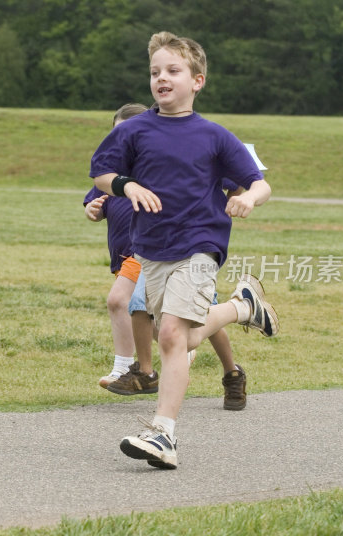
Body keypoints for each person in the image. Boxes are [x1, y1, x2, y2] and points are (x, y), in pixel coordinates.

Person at [90, 31, 279, 469]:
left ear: (198, 80)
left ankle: (163, 435)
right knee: (177, 335)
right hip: (153, 249)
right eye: (155, 71)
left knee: (173, 335)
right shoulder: (135, 130)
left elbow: (259, 181)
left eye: (173, 71)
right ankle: (241, 307)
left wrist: (249, 198)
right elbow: (100, 173)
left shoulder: (214, 136)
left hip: (201, 244)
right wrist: (127, 185)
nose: (162, 78)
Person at [86, 106, 249, 411]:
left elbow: (241, 178)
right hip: (145, 252)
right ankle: (147, 375)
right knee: (158, 321)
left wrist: (239, 198)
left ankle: (231, 369)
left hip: (191, 251)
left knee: (190, 323)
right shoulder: (117, 175)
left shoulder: (184, 154)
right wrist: (94, 208)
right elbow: (98, 190)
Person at [84, 103, 158, 395]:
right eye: (117, 134)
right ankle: (185, 342)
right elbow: (95, 206)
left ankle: (125, 367)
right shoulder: (109, 174)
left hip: (144, 252)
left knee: (119, 302)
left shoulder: (154, 170)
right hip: (120, 257)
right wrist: (93, 210)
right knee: (146, 318)